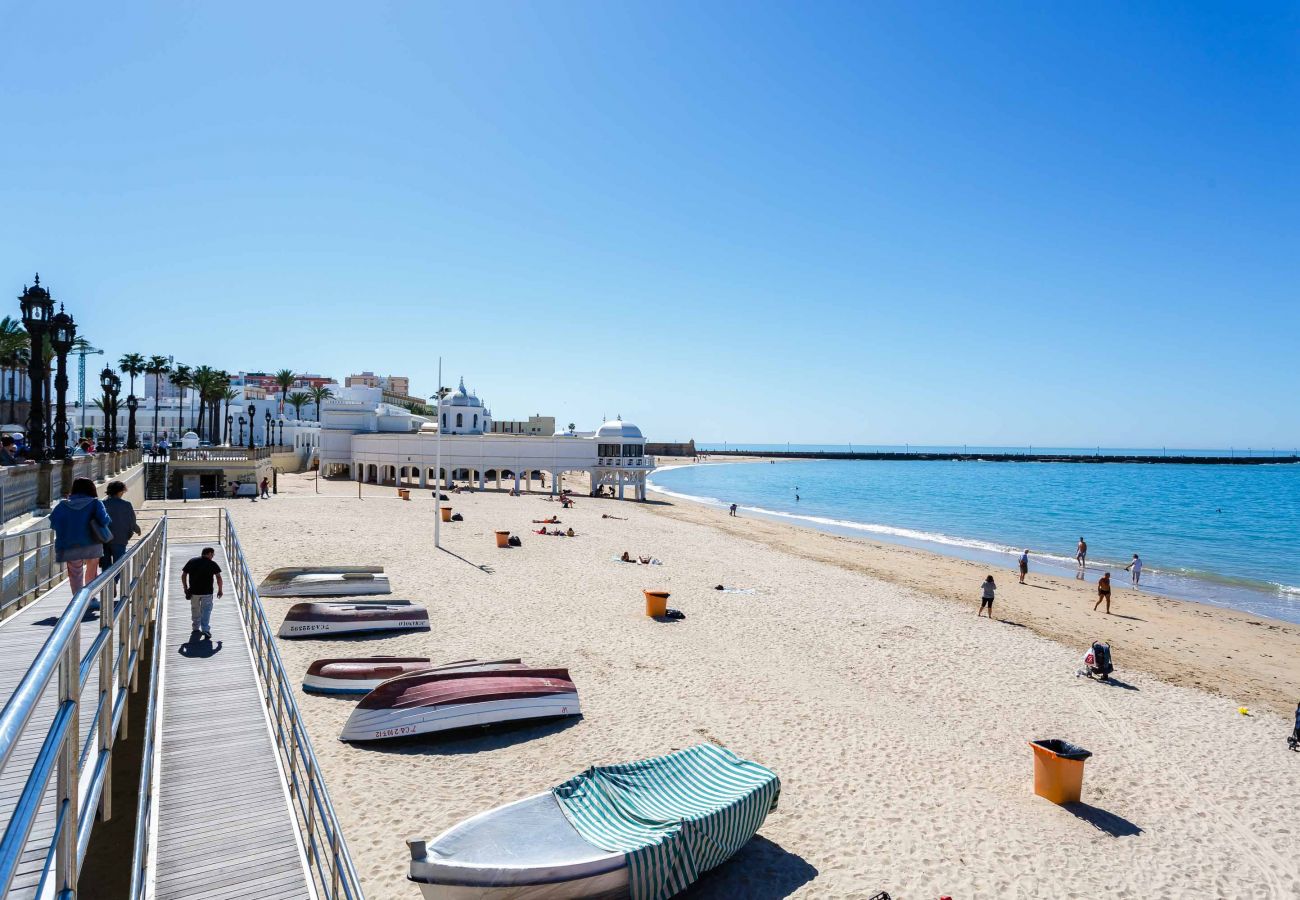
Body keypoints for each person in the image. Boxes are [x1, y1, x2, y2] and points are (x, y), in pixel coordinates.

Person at [49, 477, 112, 592]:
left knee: (75, 574)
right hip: (92, 543)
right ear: (91, 489)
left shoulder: (63, 505)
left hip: (69, 545)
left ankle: (77, 600)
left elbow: (53, 524)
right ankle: (90, 597)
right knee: (91, 572)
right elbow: (105, 521)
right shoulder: (95, 503)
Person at [181, 547, 224, 638]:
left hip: (194, 592)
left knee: (195, 609)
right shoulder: (212, 564)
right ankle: (205, 629)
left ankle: (196, 627)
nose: (213, 556)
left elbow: (184, 574)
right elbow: (218, 577)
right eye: (212, 554)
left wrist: (185, 587)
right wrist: (220, 590)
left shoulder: (192, 561)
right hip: (207, 592)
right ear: (208, 554)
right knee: (206, 611)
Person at [101, 480, 141, 567]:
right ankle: (116, 580)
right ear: (119, 491)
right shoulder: (126, 505)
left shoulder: (102, 504)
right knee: (118, 565)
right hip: (120, 538)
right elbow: (132, 521)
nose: (123, 493)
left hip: (104, 539)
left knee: (105, 566)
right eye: (123, 491)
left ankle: (107, 581)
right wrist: (137, 530)